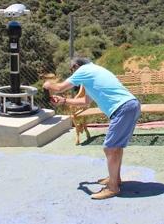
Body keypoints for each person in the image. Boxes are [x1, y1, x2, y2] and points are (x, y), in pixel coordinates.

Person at [44, 57, 140, 200]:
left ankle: (113, 188)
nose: (73, 74)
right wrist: (64, 101)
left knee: (110, 148)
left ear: (76, 66)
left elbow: (59, 88)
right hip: (130, 105)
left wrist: (47, 84)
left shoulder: (84, 70)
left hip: (123, 108)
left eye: (72, 70)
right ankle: (115, 179)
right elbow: (85, 102)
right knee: (115, 147)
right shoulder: (93, 73)